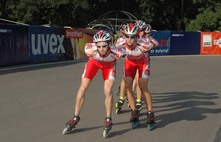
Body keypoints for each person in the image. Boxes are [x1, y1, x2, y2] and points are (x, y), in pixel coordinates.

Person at [62, 30, 125, 138]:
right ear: (95, 45)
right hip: (94, 63)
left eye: (104, 46)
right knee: (83, 88)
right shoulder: (89, 49)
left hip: (109, 65)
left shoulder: (117, 52)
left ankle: (108, 119)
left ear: (109, 44)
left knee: (108, 90)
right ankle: (75, 117)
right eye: (99, 46)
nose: (101, 49)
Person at [116, 23, 158, 129]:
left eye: (133, 36)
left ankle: (150, 113)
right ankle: (134, 112)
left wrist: (148, 38)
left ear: (137, 36)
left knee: (143, 86)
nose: (129, 39)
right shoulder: (120, 42)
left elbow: (156, 43)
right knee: (128, 86)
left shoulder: (145, 44)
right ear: (124, 35)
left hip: (143, 63)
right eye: (127, 36)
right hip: (129, 63)